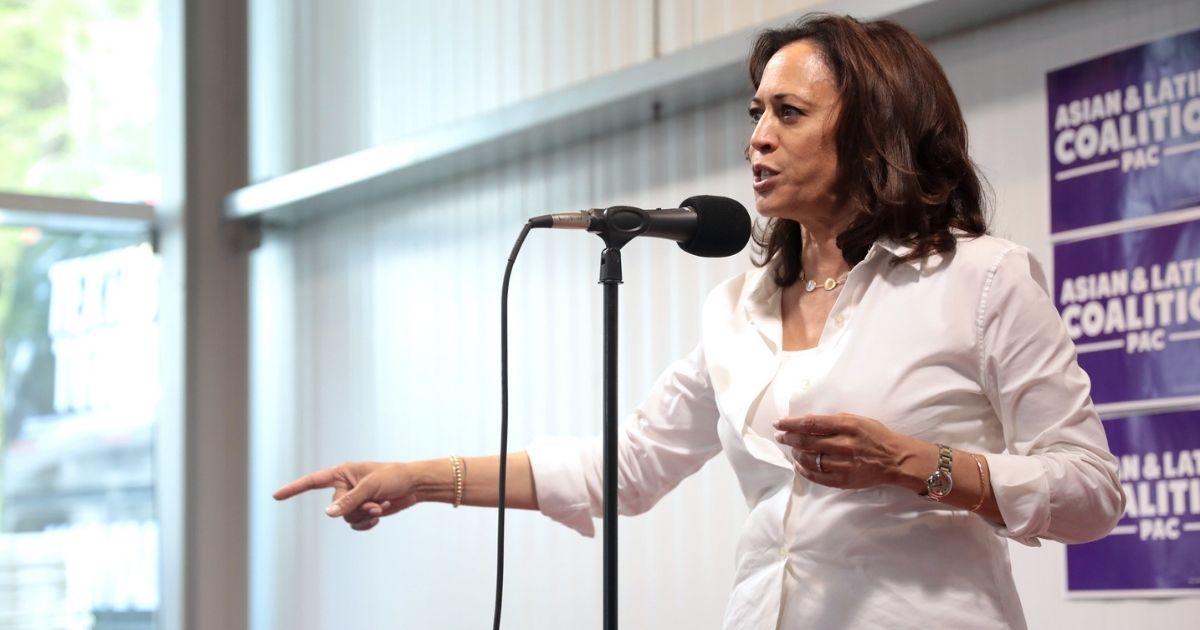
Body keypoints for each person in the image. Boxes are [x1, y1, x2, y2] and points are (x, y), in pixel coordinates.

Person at [274, 14, 1124, 629]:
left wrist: (919, 464)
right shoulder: (736, 307)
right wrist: (418, 479)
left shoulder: (980, 278)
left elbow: (1091, 493)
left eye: (788, 114)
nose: (757, 137)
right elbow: (628, 467)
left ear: (873, 134)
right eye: (754, 112)